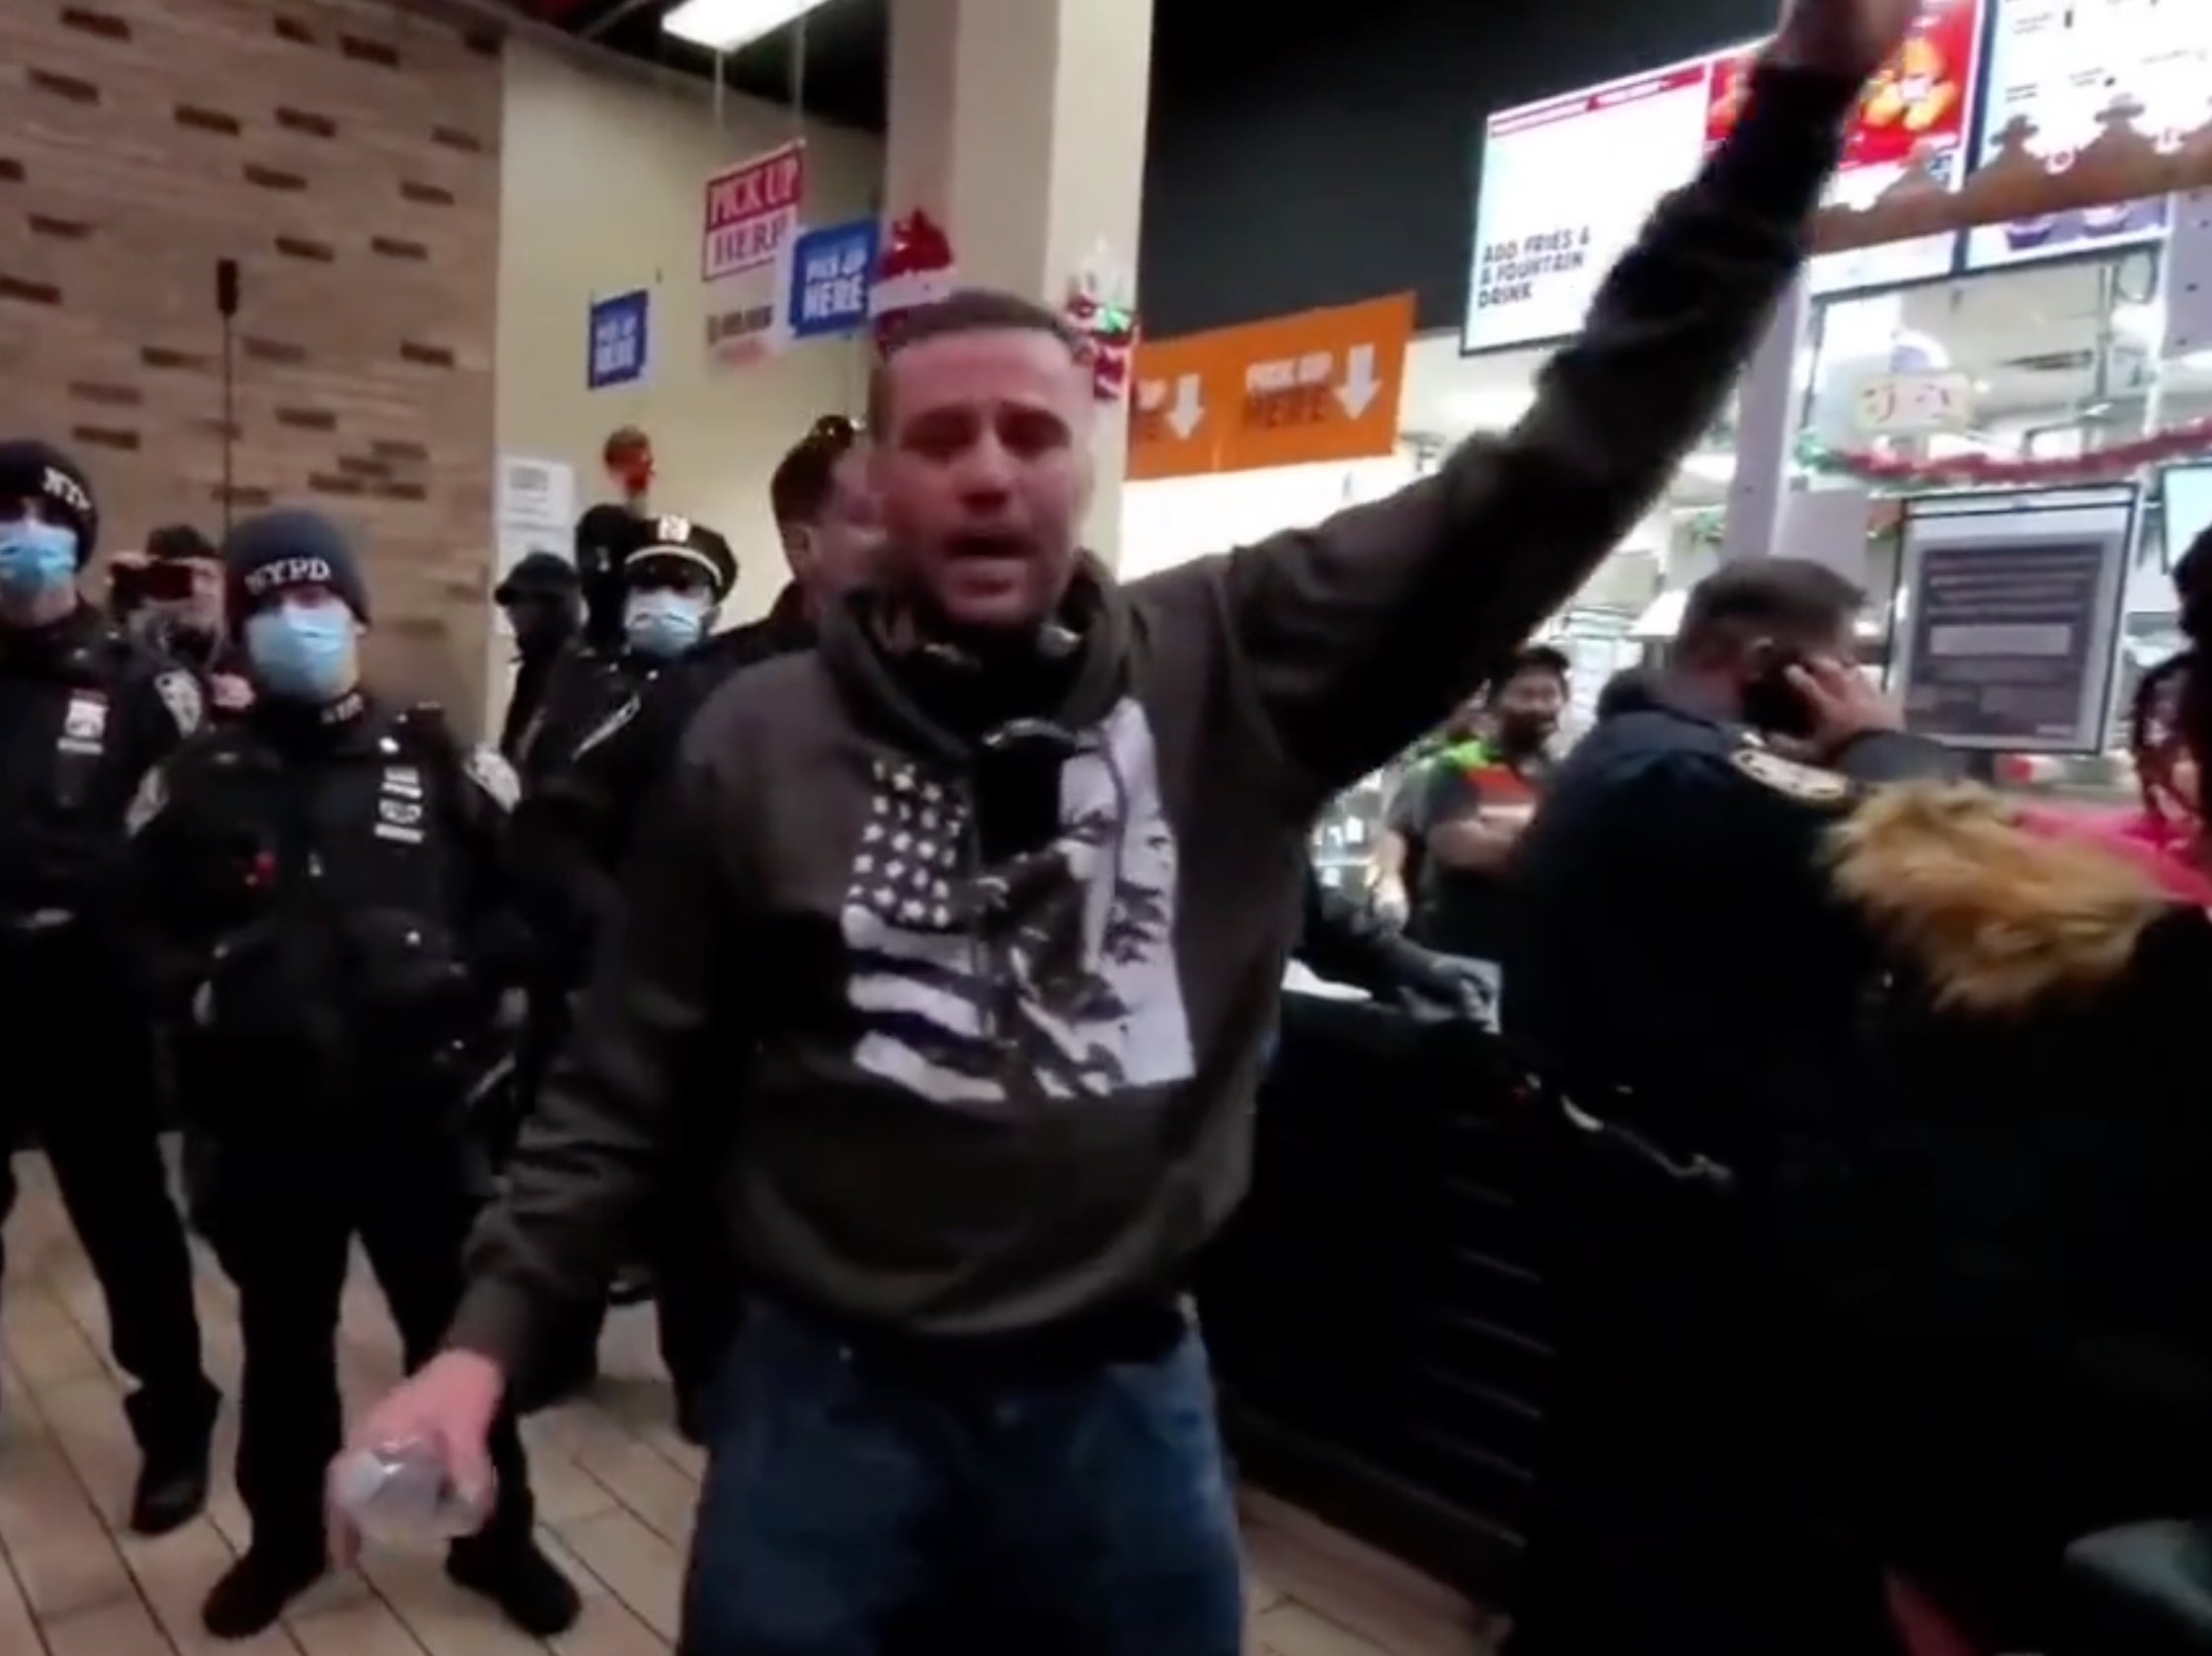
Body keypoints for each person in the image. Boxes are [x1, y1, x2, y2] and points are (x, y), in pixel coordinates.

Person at [346, 13, 1905, 1649]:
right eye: (941, 437)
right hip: (826, 1403)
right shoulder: (755, 738)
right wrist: (481, 1343)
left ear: (1083, 451)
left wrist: (1795, 104)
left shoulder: (1239, 663)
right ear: (874, 485)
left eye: (1030, 430)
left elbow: (1571, 455)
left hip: (1119, 1394)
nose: (990, 471)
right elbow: (622, 1081)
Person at [124, 508, 579, 1640]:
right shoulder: (197, 779)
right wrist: (208, 986)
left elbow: (536, 912)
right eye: (269, 602)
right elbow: (129, 937)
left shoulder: (439, 761)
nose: (296, 619)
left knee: (456, 1343)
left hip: (420, 1122)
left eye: (316, 597)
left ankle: (496, 1539)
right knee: (285, 1354)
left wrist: (466, 983)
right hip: (268, 1130)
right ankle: (283, 1543)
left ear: (358, 613)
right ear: (238, 626)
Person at [1500, 557, 1962, 1656]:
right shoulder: (1681, 776)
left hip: (1613, 1176)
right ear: (1769, 664)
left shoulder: (1625, 753)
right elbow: (1932, 852)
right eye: (1834, 668)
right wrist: (1879, 744)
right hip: (1684, 1207)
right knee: (1676, 1505)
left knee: (1609, 1472)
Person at [514, 422, 875, 1434]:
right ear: (805, 547)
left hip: (876, 1116)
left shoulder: (941, 684)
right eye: (878, 516)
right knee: (724, 1363)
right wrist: (644, 953)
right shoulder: (707, 691)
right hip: (727, 1086)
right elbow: (552, 828)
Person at [0, 438, 218, 1535]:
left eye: (45, 515)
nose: (21, 533)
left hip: (89, 994)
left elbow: (201, 822)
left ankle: (176, 1421)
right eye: (4, 514)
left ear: (79, 540)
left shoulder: (143, 683)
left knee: (127, 1226)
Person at [506, 511, 738, 1408]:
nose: (664, 602)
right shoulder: (582, 687)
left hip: (697, 988)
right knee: (572, 1180)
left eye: (686, 586)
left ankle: (704, 1373)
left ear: (715, 605)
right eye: (650, 583)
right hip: (584, 970)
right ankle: (559, 1349)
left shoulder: (737, 699)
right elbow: (544, 822)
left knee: (696, 1199)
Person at [1404, 644, 1570, 966]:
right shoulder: (1464, 765)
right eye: (1525, 694)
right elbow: (1460, 848)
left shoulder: (1560, 774)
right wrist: (1559, 853)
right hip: (1462, 953)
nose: (1539, 706)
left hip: (1531, 955)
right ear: (1495, 703)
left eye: (1549, 695)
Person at [493, 550, 581, 761]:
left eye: (521, 602)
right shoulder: (532, 668)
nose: (512, 614)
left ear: (551, 607)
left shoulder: (572, 670)